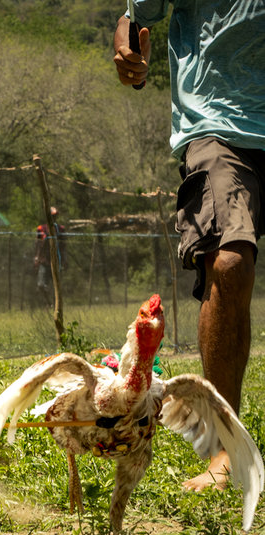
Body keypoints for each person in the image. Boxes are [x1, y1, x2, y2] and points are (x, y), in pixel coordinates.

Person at [113, 2, 265, 491]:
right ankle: (225, 450)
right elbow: (137, 14)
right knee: (230, 261)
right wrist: (128, 48)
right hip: (218, 122)